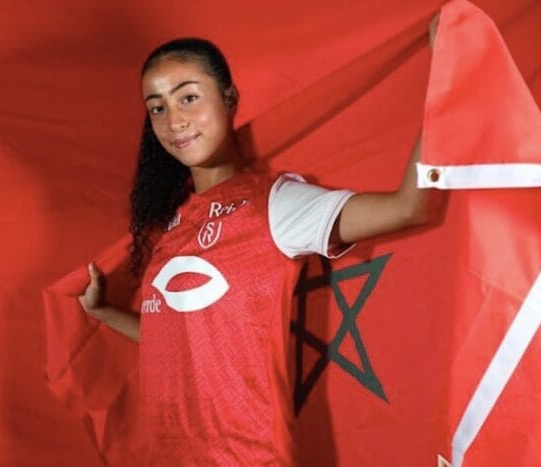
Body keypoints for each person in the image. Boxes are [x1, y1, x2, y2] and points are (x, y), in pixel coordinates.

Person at [79, 14, 441, 466]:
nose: (174, 121)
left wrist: (445, 75)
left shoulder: (273, 204)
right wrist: (103, 312)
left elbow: (409, 207)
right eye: (158, 108)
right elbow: (177, 339)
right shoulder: (173, 224)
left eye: (188, 97)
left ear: (229, 99)